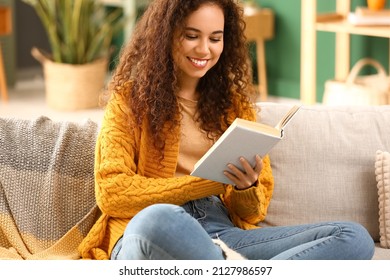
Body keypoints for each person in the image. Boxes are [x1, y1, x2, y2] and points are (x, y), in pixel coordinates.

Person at [78, 0, 374, 260]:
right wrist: (210, 184)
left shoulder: (235, 107)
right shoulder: (129, 101)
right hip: (152, 232)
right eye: (191, 36)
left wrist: (246, 186)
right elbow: (112, 193)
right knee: (157, 218)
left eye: (215, 38)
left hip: (222, 234)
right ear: (166, 36)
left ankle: (220, 266)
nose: (204, 49)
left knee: (352, 236)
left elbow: (252, 212)